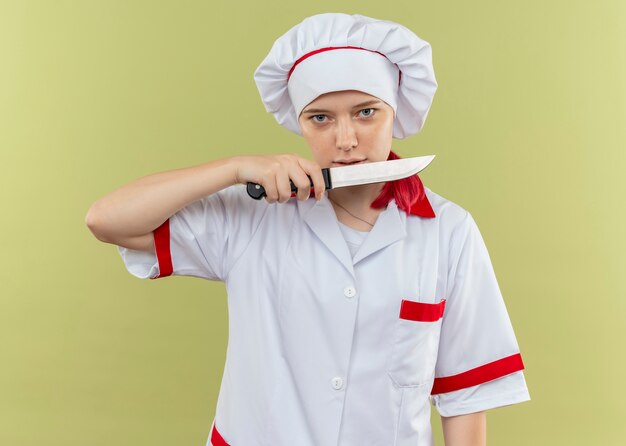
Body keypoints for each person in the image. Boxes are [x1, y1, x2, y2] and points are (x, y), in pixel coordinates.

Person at [85, 13, 530, 446]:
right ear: (298, 122)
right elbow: (106, 219)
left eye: (366, 113)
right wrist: (234, 168)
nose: (346, 139)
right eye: (320, 118)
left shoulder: (449, 232)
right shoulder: (252, 215)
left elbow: (465, 395)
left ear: (396, 112)